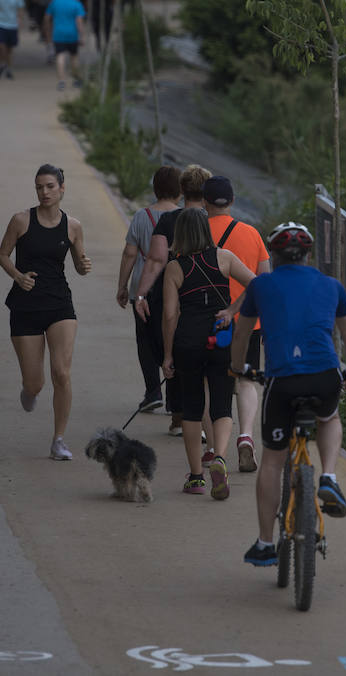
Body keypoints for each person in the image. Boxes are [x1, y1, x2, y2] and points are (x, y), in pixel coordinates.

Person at [232, 222, 346, 567]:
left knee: (274, 459)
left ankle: (264, 543)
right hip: (325, 376)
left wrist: (238, 369)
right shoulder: (331, 285)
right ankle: (329, 477)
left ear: (273, 256)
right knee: (329, 416)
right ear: (308, 256)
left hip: (283, 381)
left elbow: (242, 335)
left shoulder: (261, 286)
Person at [0, 164, 92, 461]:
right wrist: (17, 275)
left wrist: (83, 266)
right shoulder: (21, 220)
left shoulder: (72, 226)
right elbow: (2, 255)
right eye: (40, 187)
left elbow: (78, 263)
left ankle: (58, 440)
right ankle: (29, 390)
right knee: (35, 382)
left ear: (62, 189)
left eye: (50, 186)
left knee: (61, 373)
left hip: (59, 303)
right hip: (25, 306)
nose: (45, 192)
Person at [162, 208, 255, 498]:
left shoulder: (174, 268)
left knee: (191, 407)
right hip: (221, 338)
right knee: (222, 404)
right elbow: (257, 283)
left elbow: (169, 314)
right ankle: (220, 457)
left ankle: (196, 478)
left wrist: (167, 356)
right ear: (205, 230)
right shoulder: (224, 257)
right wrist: (231, 310)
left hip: (188, 340)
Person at [133, 164, 211, 437]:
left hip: (172, 293)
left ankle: (179, 417)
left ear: (182, 190)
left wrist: (141, 294)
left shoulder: (169, 221)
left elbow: (155, 261)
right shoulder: (213, 221)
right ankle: (204, 422)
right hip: (206, 298)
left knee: (175, 353)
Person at [201, 176, 270, 474]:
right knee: (246, 380)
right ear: (231, 201)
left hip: (206, 320)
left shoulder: (195, 233)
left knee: (207, 382)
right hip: (246, 323)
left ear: (204, 202)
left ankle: (214, 448)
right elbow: (264, 281)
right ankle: (246, 437)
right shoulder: (251, 234)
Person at [116, 165, 182, 414]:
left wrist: (122, 286)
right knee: (172, 338)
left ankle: (152, 391)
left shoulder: (142, 216)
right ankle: (175, 397)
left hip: (142, 286)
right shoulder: (184, 217)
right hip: (174, 287)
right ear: (180, 191)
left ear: (155, 189)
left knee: (145, 340)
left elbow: (129, 253)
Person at [42, 0, 86, 91]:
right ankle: (77, 79)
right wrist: (82, 36)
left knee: (60, 56)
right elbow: (79, 22)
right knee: (74, 57)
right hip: (72, 34)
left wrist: (47, 31)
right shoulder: (77, 3)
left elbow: (47, 18)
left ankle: (61, 81)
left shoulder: (55, 2)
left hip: (58, 33)